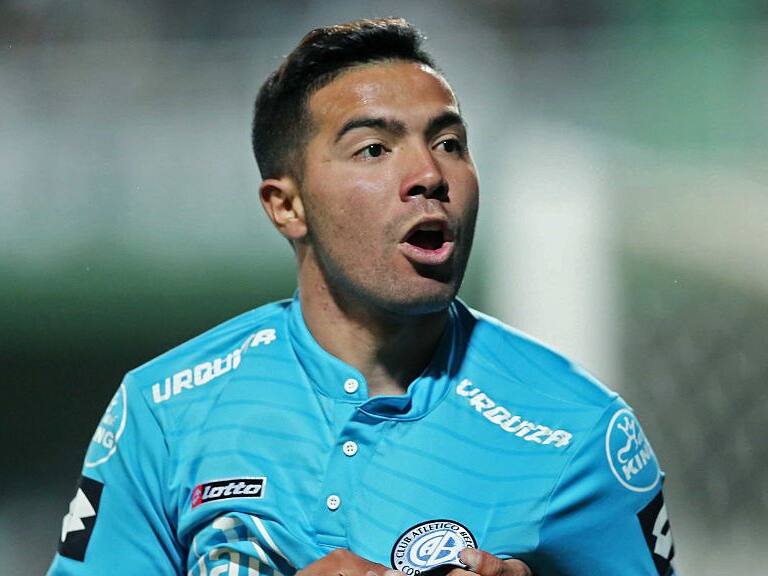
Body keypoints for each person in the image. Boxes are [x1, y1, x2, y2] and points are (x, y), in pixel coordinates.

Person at [49, 18, 675, 576]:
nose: (429, 175)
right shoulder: (164, 411)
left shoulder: (578, 431)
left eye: (449, 143)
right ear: (287, 206)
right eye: (374, 149)